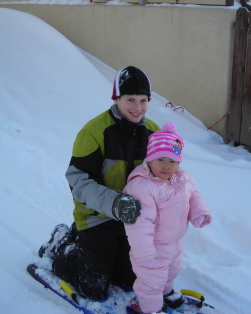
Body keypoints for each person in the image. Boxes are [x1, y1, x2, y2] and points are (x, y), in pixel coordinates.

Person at [37, 66, 161, 301]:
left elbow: (166, 174)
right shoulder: (94, 132)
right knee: (92, 288)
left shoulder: (154, 133)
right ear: (116, 99)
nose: (137, 108)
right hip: (96, 217)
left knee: (129, 278)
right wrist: (114, 203)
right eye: (130, 99)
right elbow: (78, 181)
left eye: (143, 100)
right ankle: (62, 244)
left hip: (133, 220)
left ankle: (88, 247)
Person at [123, 121, 212, 314]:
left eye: (172, 161)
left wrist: (199, 213)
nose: (166, 166)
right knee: (151, 281)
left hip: (175, 241)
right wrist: (144, 252)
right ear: (149, 160)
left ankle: (167, 292)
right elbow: (139, 223)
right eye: (160, 160)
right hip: (153, 246)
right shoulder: (142, 187)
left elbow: (193, 194)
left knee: (172, 271)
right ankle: (151, 309)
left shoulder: (183, 178)